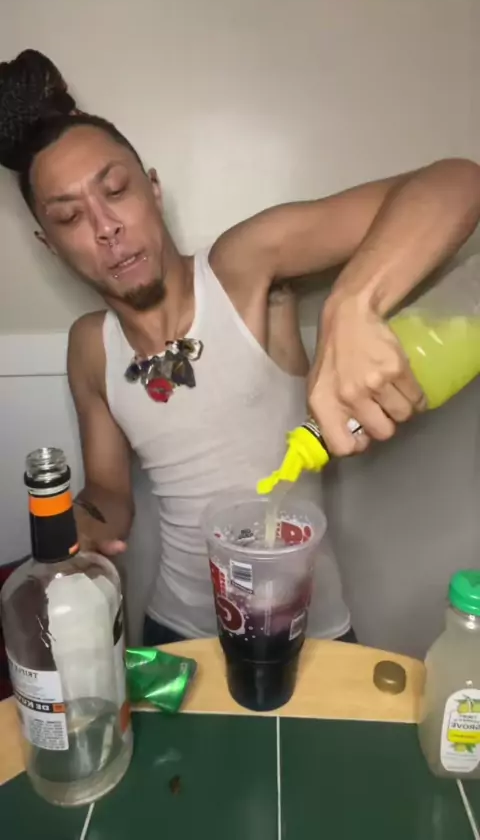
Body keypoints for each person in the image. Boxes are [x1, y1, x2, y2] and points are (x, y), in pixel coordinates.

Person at [1, 51, 479, 646]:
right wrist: (83, 522)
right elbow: (111, 493)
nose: (105, 227)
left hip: (310, 632)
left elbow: (459, 183)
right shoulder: (89, 346)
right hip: (179, 633)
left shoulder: (242, 267)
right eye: (71, 217)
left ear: (153, 189)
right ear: (50, 245)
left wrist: (352, 304)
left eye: (116, 190)